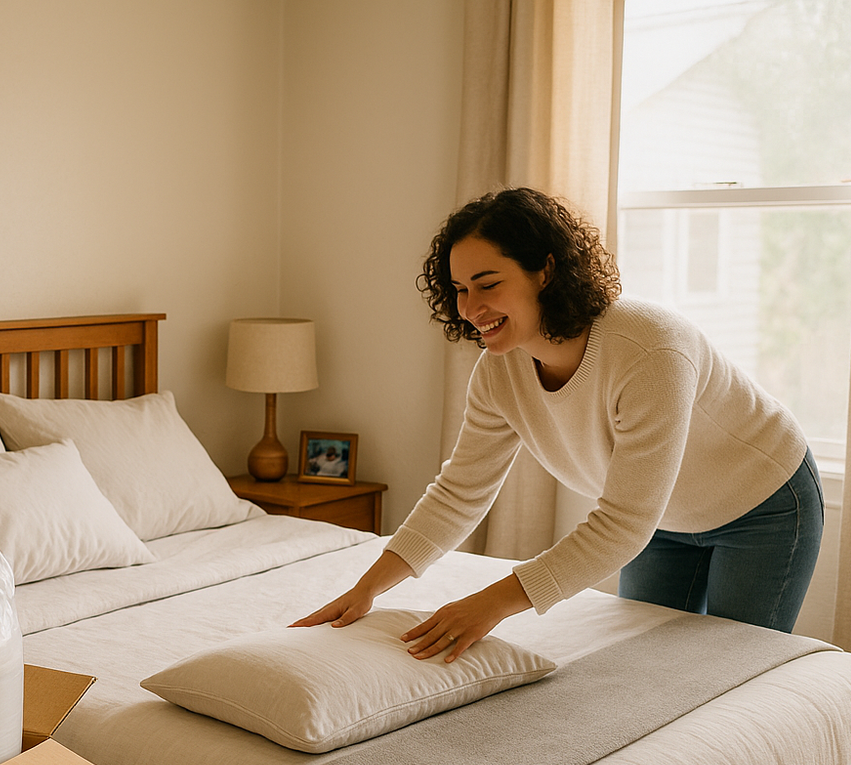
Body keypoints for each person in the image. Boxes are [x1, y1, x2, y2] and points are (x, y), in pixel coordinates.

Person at [296, 186, 822, 659]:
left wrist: (491, 603)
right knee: (647, 665)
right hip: (662, 524)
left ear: (544, 271)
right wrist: (367, 588)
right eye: (459, 289)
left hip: (762, 505)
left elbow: (620, 525)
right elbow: (460, 492)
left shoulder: (649, 349)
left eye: (488, 283)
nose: (471, 308)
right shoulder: (498, 373)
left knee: (734, 669)